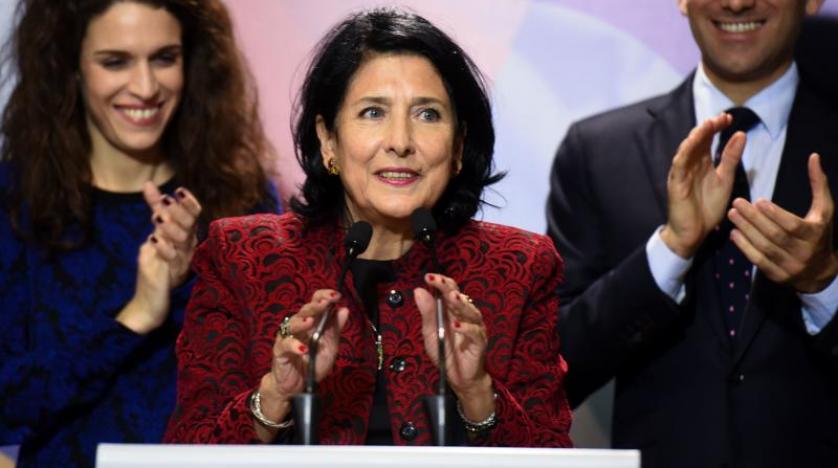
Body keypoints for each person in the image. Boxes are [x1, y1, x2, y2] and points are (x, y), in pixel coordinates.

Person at [164, 8, 572, 447]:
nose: (400, 141)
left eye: (428, 114)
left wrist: (477, 392)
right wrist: (276, 395)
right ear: (328, 140)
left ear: (458, 146)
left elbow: (554, 455)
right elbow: (187, 450)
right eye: (373, 112)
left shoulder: (519, 268)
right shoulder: (242, 257)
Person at [547, 0, 837, 466]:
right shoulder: (597, 152)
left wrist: (825, 284)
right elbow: (554, 370)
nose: (736, 3)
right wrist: (669, 251)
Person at [0, 0, 278, 466]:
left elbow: (269, 399)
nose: (146, 87)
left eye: (164, 58)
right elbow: (10, 407)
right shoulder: (14, 202)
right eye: (116, 62)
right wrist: (136, 317)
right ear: (69, 64)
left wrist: (205, 274)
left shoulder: (241, 199)